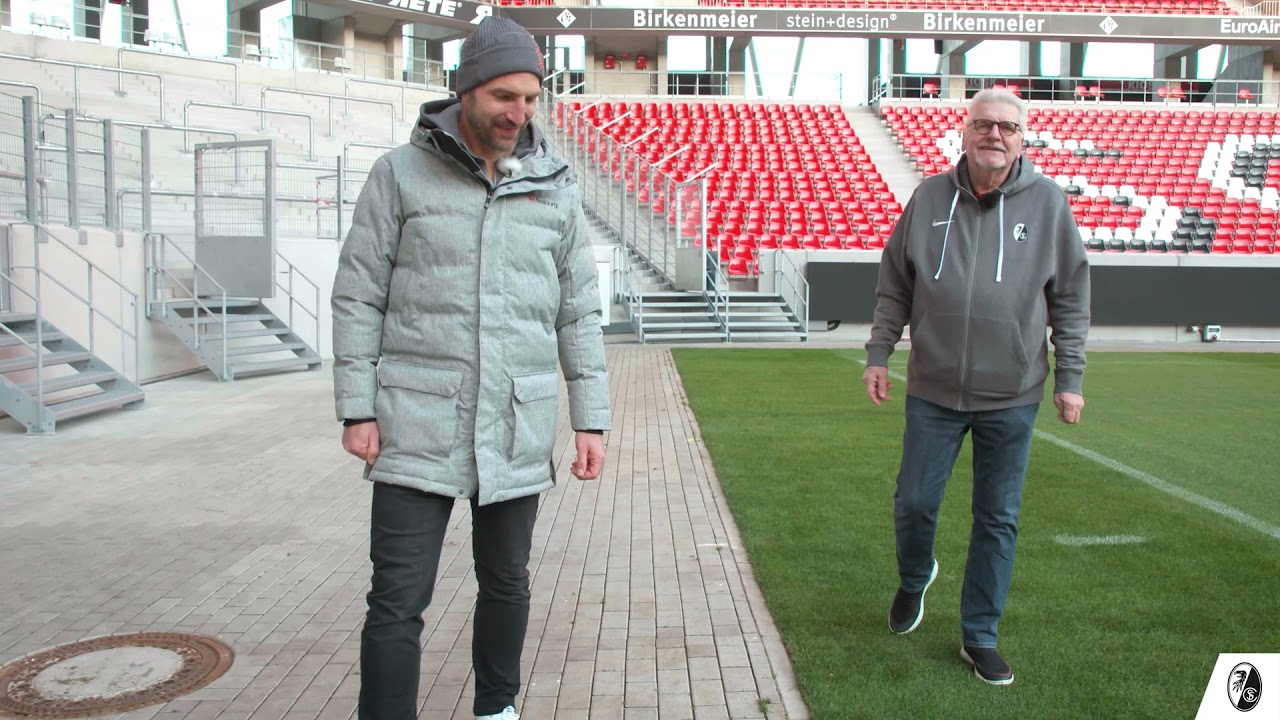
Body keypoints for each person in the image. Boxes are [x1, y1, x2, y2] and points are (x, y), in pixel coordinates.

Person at [330, 16, 611, 720]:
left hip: (518, 418)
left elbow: (577, 312)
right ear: (466, 93)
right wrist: (357, 406)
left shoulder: (556, 187)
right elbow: (358, 293)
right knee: (396, 599)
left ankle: (497, 708)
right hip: (413, 421)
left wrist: (591, 420)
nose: (518, 113)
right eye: (503, 97)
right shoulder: (398, 175)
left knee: (508, 581)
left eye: (531, 98)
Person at [862, 88, 1090, 686]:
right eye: (984, 124)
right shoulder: (928, 197)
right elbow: (895, 284)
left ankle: (979, 636)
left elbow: (1069, 298)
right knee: (914, 502)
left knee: (998, 517)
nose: (995, 134)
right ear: (963, 132)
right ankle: (916, 578)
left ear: (1022, 139)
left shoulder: (1048, 206)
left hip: (1011, 395)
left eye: (1008, 127)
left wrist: (1071, 378)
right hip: (932, 389)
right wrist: (879, 353)